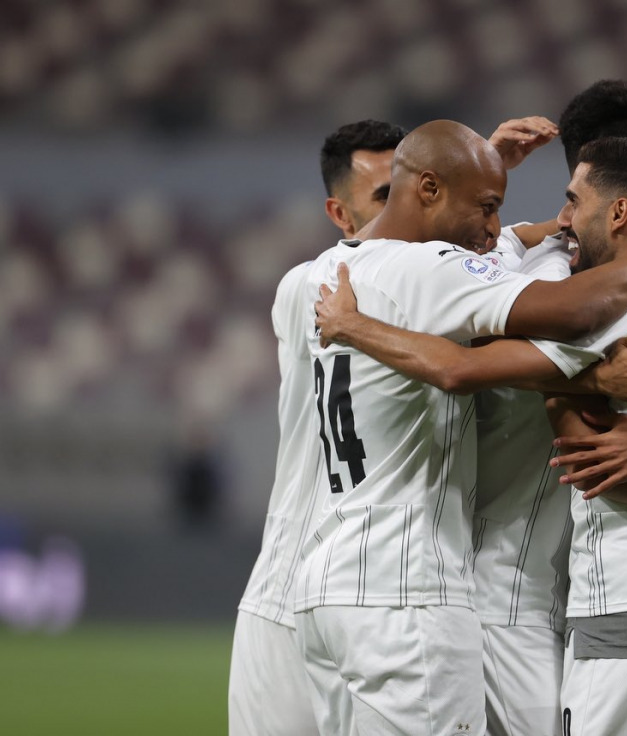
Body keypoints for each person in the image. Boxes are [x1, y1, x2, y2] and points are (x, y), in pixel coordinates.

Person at [292, 119, 627, 736]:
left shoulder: (331, 273)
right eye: (485, 208)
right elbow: (572, 311)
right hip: (406, 590)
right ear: (428, 189)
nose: (491, 230)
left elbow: (493, 295)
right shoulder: (430, 268)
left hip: (327, 587)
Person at [228, 119, 405, 736]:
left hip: (383, 598)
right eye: (386, 196)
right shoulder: (312, 285)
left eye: (417, 188)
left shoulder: (430, 284)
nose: (407, 209)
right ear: (340, 213)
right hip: (287, 592)